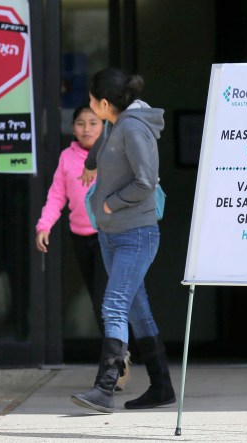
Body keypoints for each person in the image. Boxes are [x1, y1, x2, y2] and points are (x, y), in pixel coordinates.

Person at [71, 68, 175, 414]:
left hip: (136, 233)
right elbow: (103, 146)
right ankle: (161, 386)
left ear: (103, 104)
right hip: (112, 234)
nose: (87, 105)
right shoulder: (117, 123)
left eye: (90, 100)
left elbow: (146, 181)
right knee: (135, 308)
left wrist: (109, 202)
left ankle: (105, 389)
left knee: (113, 305)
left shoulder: (132, 127)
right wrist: (89, 162)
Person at [36, 106, 131, 390]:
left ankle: (114, 366)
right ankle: (121, 354)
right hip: (81, 238)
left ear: (103, 126)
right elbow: (57, 195)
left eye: (93, 122)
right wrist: (44, 225)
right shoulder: (67, 157)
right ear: (73, 127)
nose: (87, 128)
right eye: (80, 123)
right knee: (96, 302)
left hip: (110, 237)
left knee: (106, 304)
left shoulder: (112, 153)